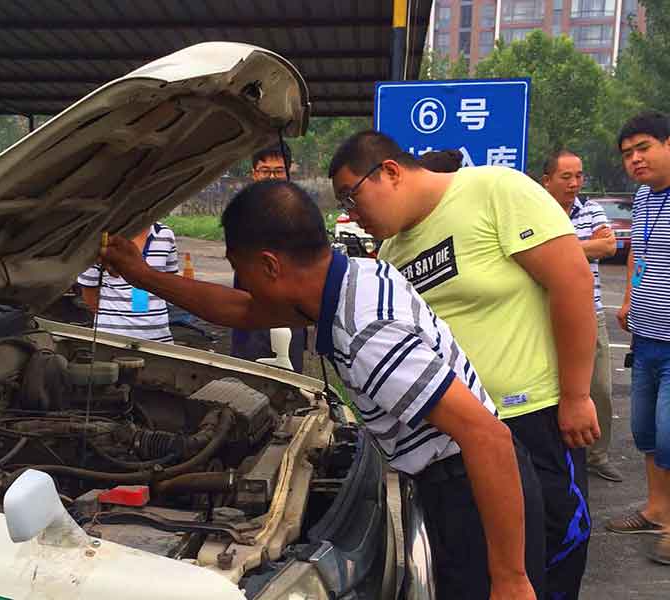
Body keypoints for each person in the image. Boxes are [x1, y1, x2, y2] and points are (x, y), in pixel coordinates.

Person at [101, 180, 545, 599]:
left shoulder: (365, 332)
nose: (243, 284)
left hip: (476, 493)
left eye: (240, 270)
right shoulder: (353, 277)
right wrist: (143, 276)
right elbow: (240, 309)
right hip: (460, 480)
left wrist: (509, 577)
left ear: (271, 265)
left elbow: (487, 437)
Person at [328, 130, 599, 599]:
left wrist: (576, 395)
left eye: (353, 196)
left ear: (389, 171)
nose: (353, 214)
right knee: (480, 573)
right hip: (458, 443)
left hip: (533, 417)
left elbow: (571, 280)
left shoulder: (494, 190)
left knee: (552, 558)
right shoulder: (393, 252)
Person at [607, 111, 670, 565]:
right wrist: (629, 299)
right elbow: (638, 256)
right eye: (628, 153)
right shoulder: (646, 199)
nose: (635, 159)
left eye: (644, 148)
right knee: (645, 429)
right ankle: (657, 509)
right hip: (646, 337)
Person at [542, 149, 622, 482]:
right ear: (547, 180)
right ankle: (557, 453)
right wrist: (584, 246)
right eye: (566, 176)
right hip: (544, 310)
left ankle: (597, 455)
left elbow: (609, 247)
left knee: (599, 387)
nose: (575, 183)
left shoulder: (590, 210)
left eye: (579, 176)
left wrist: (555, 248)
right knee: (551, 386)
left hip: (592, 310)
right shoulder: (535, 210)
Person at [230, 142, 307, 372]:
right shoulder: (240, 214)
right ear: (254, 174)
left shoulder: (303, 215)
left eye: (278, 171)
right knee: (246, 391)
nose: (272, 177)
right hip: (249, 321)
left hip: (290, 322)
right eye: (265, 171)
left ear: (289, 172)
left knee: (292, 393)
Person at [77, 223, 178, 343]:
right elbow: (89, 292)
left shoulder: (165, 234)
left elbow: (170, 286)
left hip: (159, 340)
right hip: (110, 340)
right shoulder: (103, 238)